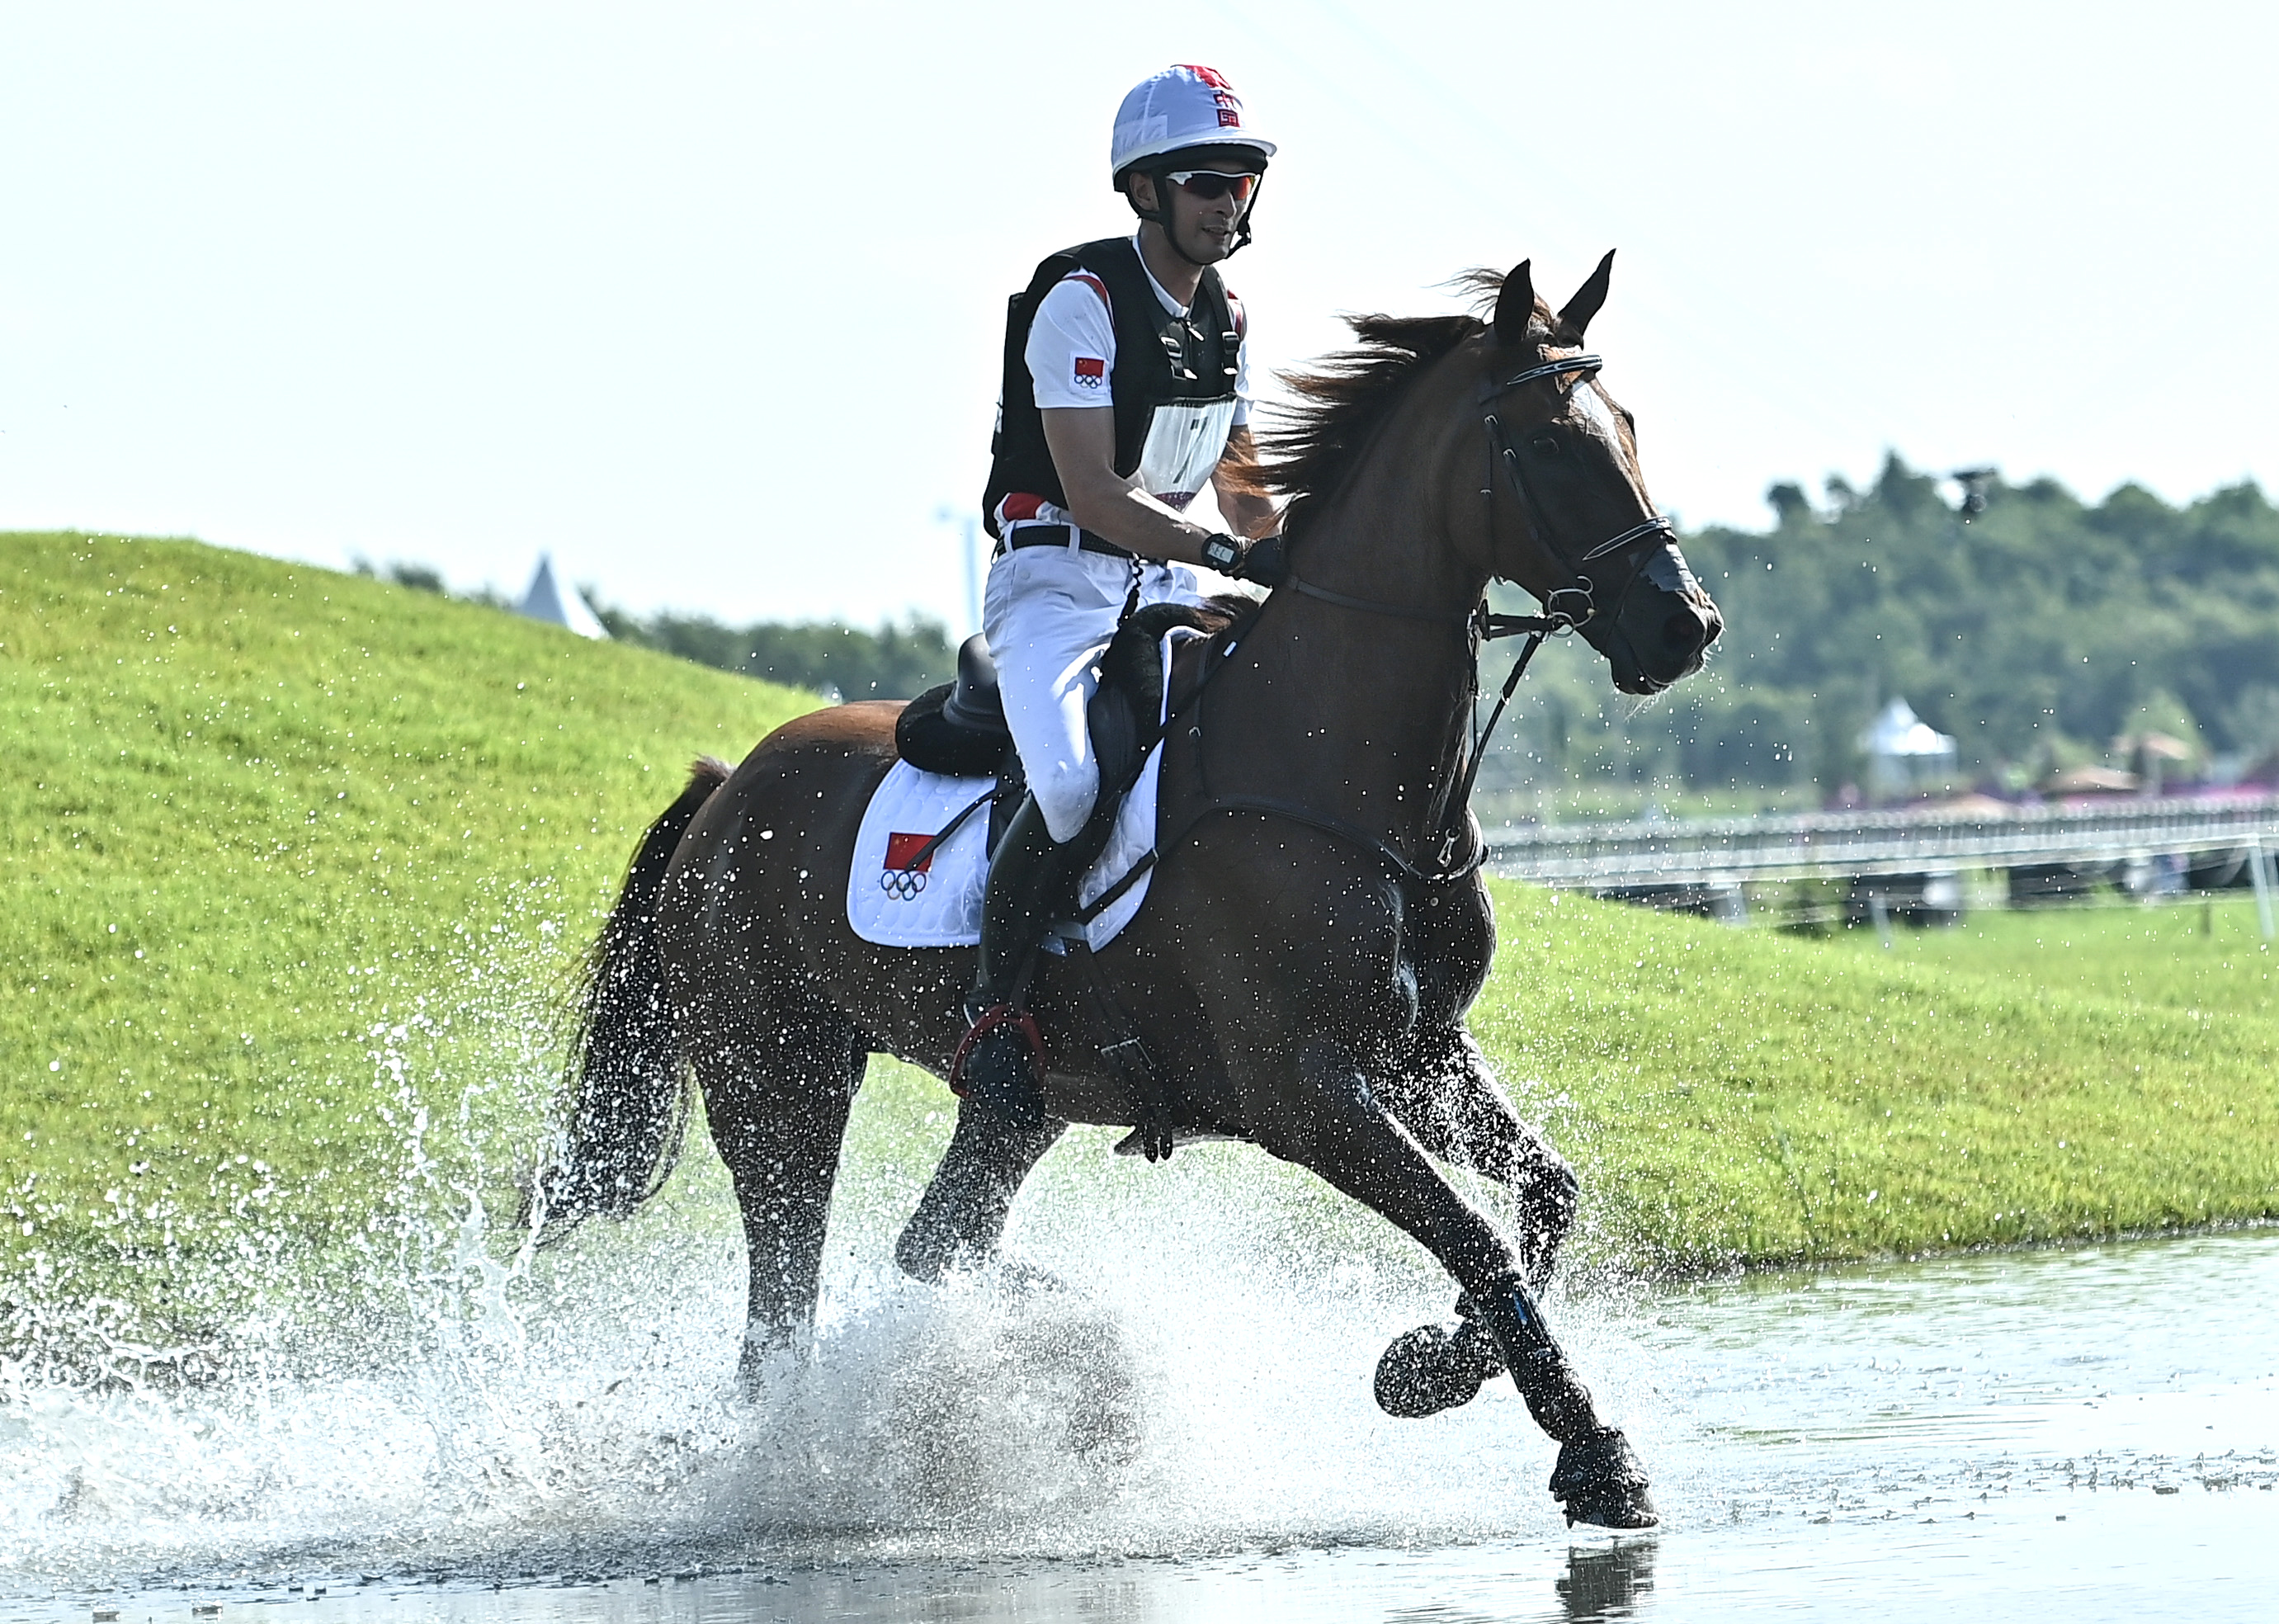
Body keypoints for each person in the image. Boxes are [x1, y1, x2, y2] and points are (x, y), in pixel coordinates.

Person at [956, 64, 1285, 1121]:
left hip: (1173, 576)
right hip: (1055, 580)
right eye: (1202, 180)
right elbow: (1095, 493)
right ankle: (994, 1014)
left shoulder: (1228, 318)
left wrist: (1308, 559)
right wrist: (1230, 557)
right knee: (1064, 788)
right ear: (1143, 187)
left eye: (1239, 180)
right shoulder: (1080, 301)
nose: (1223, 201)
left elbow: (1242, 490)